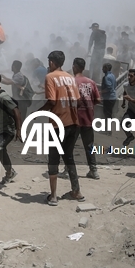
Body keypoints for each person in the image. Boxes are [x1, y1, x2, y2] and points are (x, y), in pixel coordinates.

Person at [39, 51, 83, 206]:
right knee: (68, 157)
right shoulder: (71, 77)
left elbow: (51, 102)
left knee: (53, 159)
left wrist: (38, 112)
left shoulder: (50, 77)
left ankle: (54, 196)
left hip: (58, 125)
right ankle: (76, 191)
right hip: (73, 124)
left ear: (51, 62)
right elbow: (78, 102)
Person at [72, 57, 102, 179]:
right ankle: (93, 171)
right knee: (89, 146)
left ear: (74, 66)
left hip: (74, 119)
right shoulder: (91, 82)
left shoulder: (72, 81)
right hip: (88, 118)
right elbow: (98, 100)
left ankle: (67, 169)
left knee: (68, 146)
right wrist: (88, 105)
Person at [98, 62, 118, 126]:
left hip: (108, 98)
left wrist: (101, 92)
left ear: (106, 68)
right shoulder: (112, 75)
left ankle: (108, 130)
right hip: (113, 97)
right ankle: (107, 129)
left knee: (107, 113)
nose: (102, 69)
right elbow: (114, 85)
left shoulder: (106, 77)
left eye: (103, 68)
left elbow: (109, 88)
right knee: (108, 113)